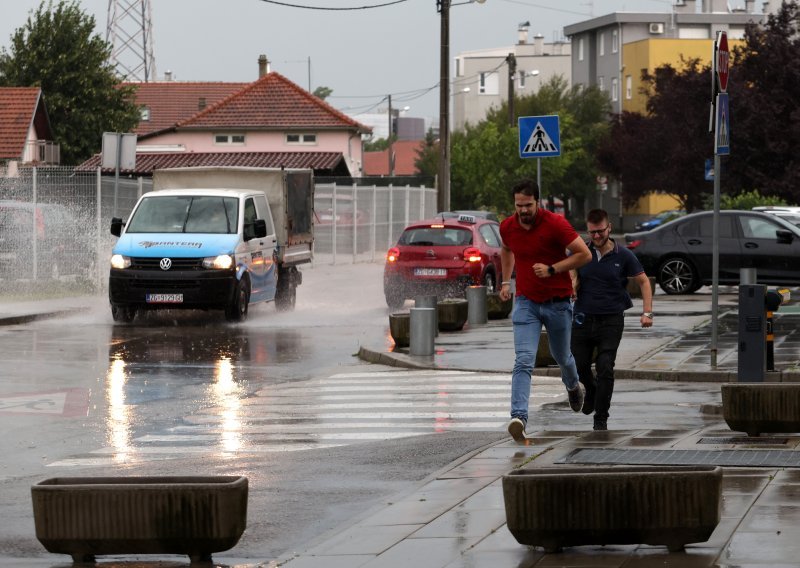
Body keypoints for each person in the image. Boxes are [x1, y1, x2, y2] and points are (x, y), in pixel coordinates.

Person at [498, 179, 592, 443]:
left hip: (558, 302)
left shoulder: (555, 224)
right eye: (519, 205)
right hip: (526, 302)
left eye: (528, 205)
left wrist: (553, 269)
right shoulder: (508, 226)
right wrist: (506, 281)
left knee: (561, 356)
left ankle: (573, 386)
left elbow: (584, 255)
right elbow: (506, 249)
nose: (523, 210)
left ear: (537, 201)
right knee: (523, 359)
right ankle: (519, 418)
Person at [570, 208, 653, 431]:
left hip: (611, 319)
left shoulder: (623, 255)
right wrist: (572, 284)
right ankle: (592, 390)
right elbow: (569, 272)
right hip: (583, 318)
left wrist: (647, 312)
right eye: (591, 232)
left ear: (609, 228)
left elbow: (644, 282)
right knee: (579, 366)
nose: (596, 236)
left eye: (600, 231)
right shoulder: (581, 253)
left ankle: (601, 418)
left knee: (605, 366)